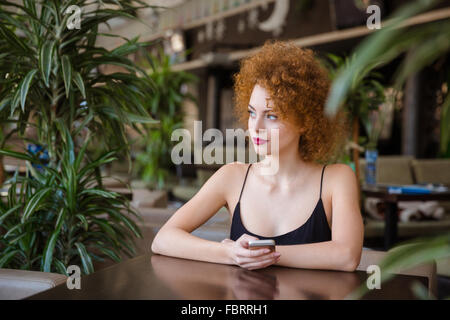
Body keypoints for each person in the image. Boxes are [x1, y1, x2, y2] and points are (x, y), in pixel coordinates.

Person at [151, 40, 364, 272]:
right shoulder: (232, 176)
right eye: (252, 113)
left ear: (305, 121)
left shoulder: (336, 179)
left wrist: (264, 254)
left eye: (271, 115)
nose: (256, 126)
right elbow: (163, 239)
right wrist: (230, 253)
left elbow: (347, 256)